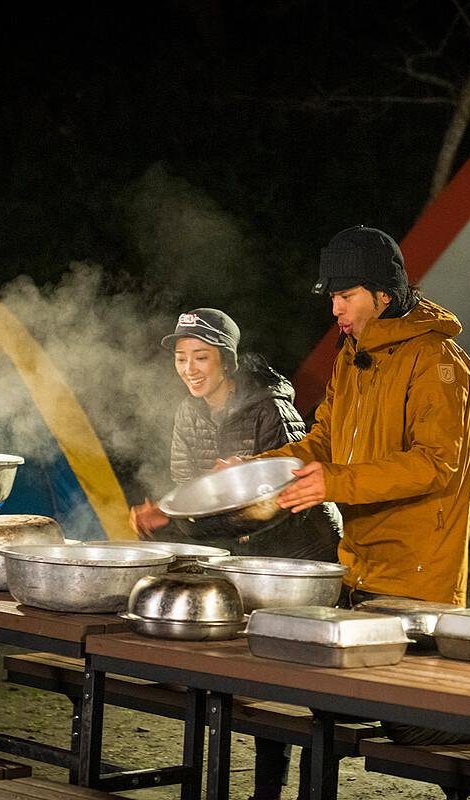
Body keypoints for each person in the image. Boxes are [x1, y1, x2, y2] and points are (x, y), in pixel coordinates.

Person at [128, 307, 340, 800]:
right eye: (181, 358)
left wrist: (190, 513)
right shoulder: (188, 413)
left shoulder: (271, 407)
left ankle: (308, 790)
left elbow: (284, 494)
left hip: (300, 549)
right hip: (246, 549)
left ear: (227, 359)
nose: (190, 369)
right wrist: (166, 517)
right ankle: (262, 792)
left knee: (303, 677)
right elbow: (191, 491)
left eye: (201, 356)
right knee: (256, 669)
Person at [257, 224, 470, 607]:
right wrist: (254, 471)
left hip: (416, 580)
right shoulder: (352, 356)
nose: (335, 308)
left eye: (345, 295)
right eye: (332, 297)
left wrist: (335, 482)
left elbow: (435, 462)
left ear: (384, 295)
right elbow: (325, 441)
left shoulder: (436, 358)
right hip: (357, 566)